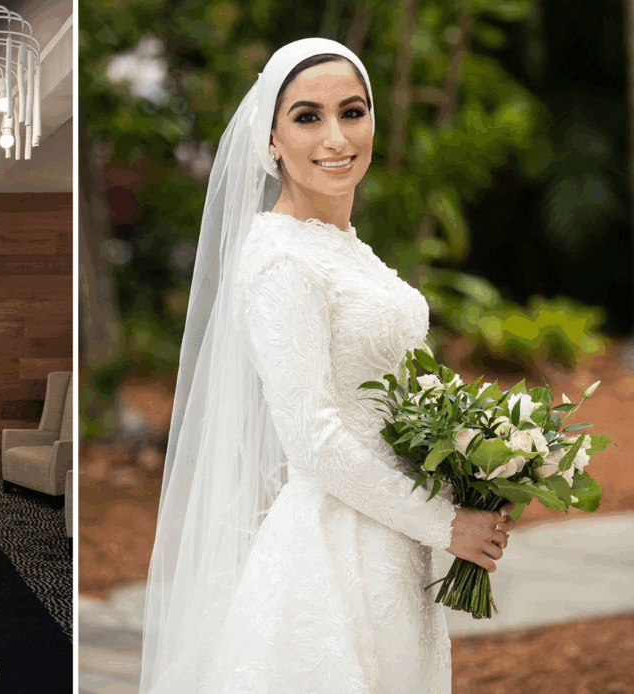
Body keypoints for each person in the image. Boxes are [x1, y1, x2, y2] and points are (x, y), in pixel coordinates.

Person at [139, 37, 516, 693]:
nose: (337, 136)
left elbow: (398, 390)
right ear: (272, 140)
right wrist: (447, 524)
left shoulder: (342, 245)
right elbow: (314, 439)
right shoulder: (281, 260)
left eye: (353, 111)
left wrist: (478, 458)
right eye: (308, 116)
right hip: (339, 552)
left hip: (395, 541)